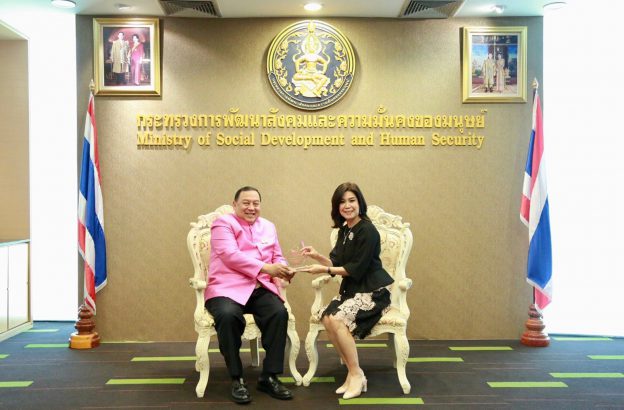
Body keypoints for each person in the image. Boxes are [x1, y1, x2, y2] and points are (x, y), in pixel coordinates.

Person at [297, 182, 394, 400]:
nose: (347, 206)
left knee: (338, 319)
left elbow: (354, 269)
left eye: (352, 200)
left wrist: (324, 269)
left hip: (373, 291)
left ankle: (357, 374)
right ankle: (353, 373)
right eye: (342, 202)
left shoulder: (368, 230)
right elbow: (335, 262)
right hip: (353, 290)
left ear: (360, 203)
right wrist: (316, 256)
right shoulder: (344, 229)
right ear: (337, 206)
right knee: (327, 318)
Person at [205, 186, 295, 404]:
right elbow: (230, 255)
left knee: (278, 313)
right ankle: (237, 378)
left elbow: (277, 256)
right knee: (227, 316)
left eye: (256, 203)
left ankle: (269, 377)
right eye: (246, 203)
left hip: (259, 287)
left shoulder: (269, 226)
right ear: (234, 204)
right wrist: (267, 268)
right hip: (226, 288)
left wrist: (283, 269)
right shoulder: (223, 224)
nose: (251, 207)